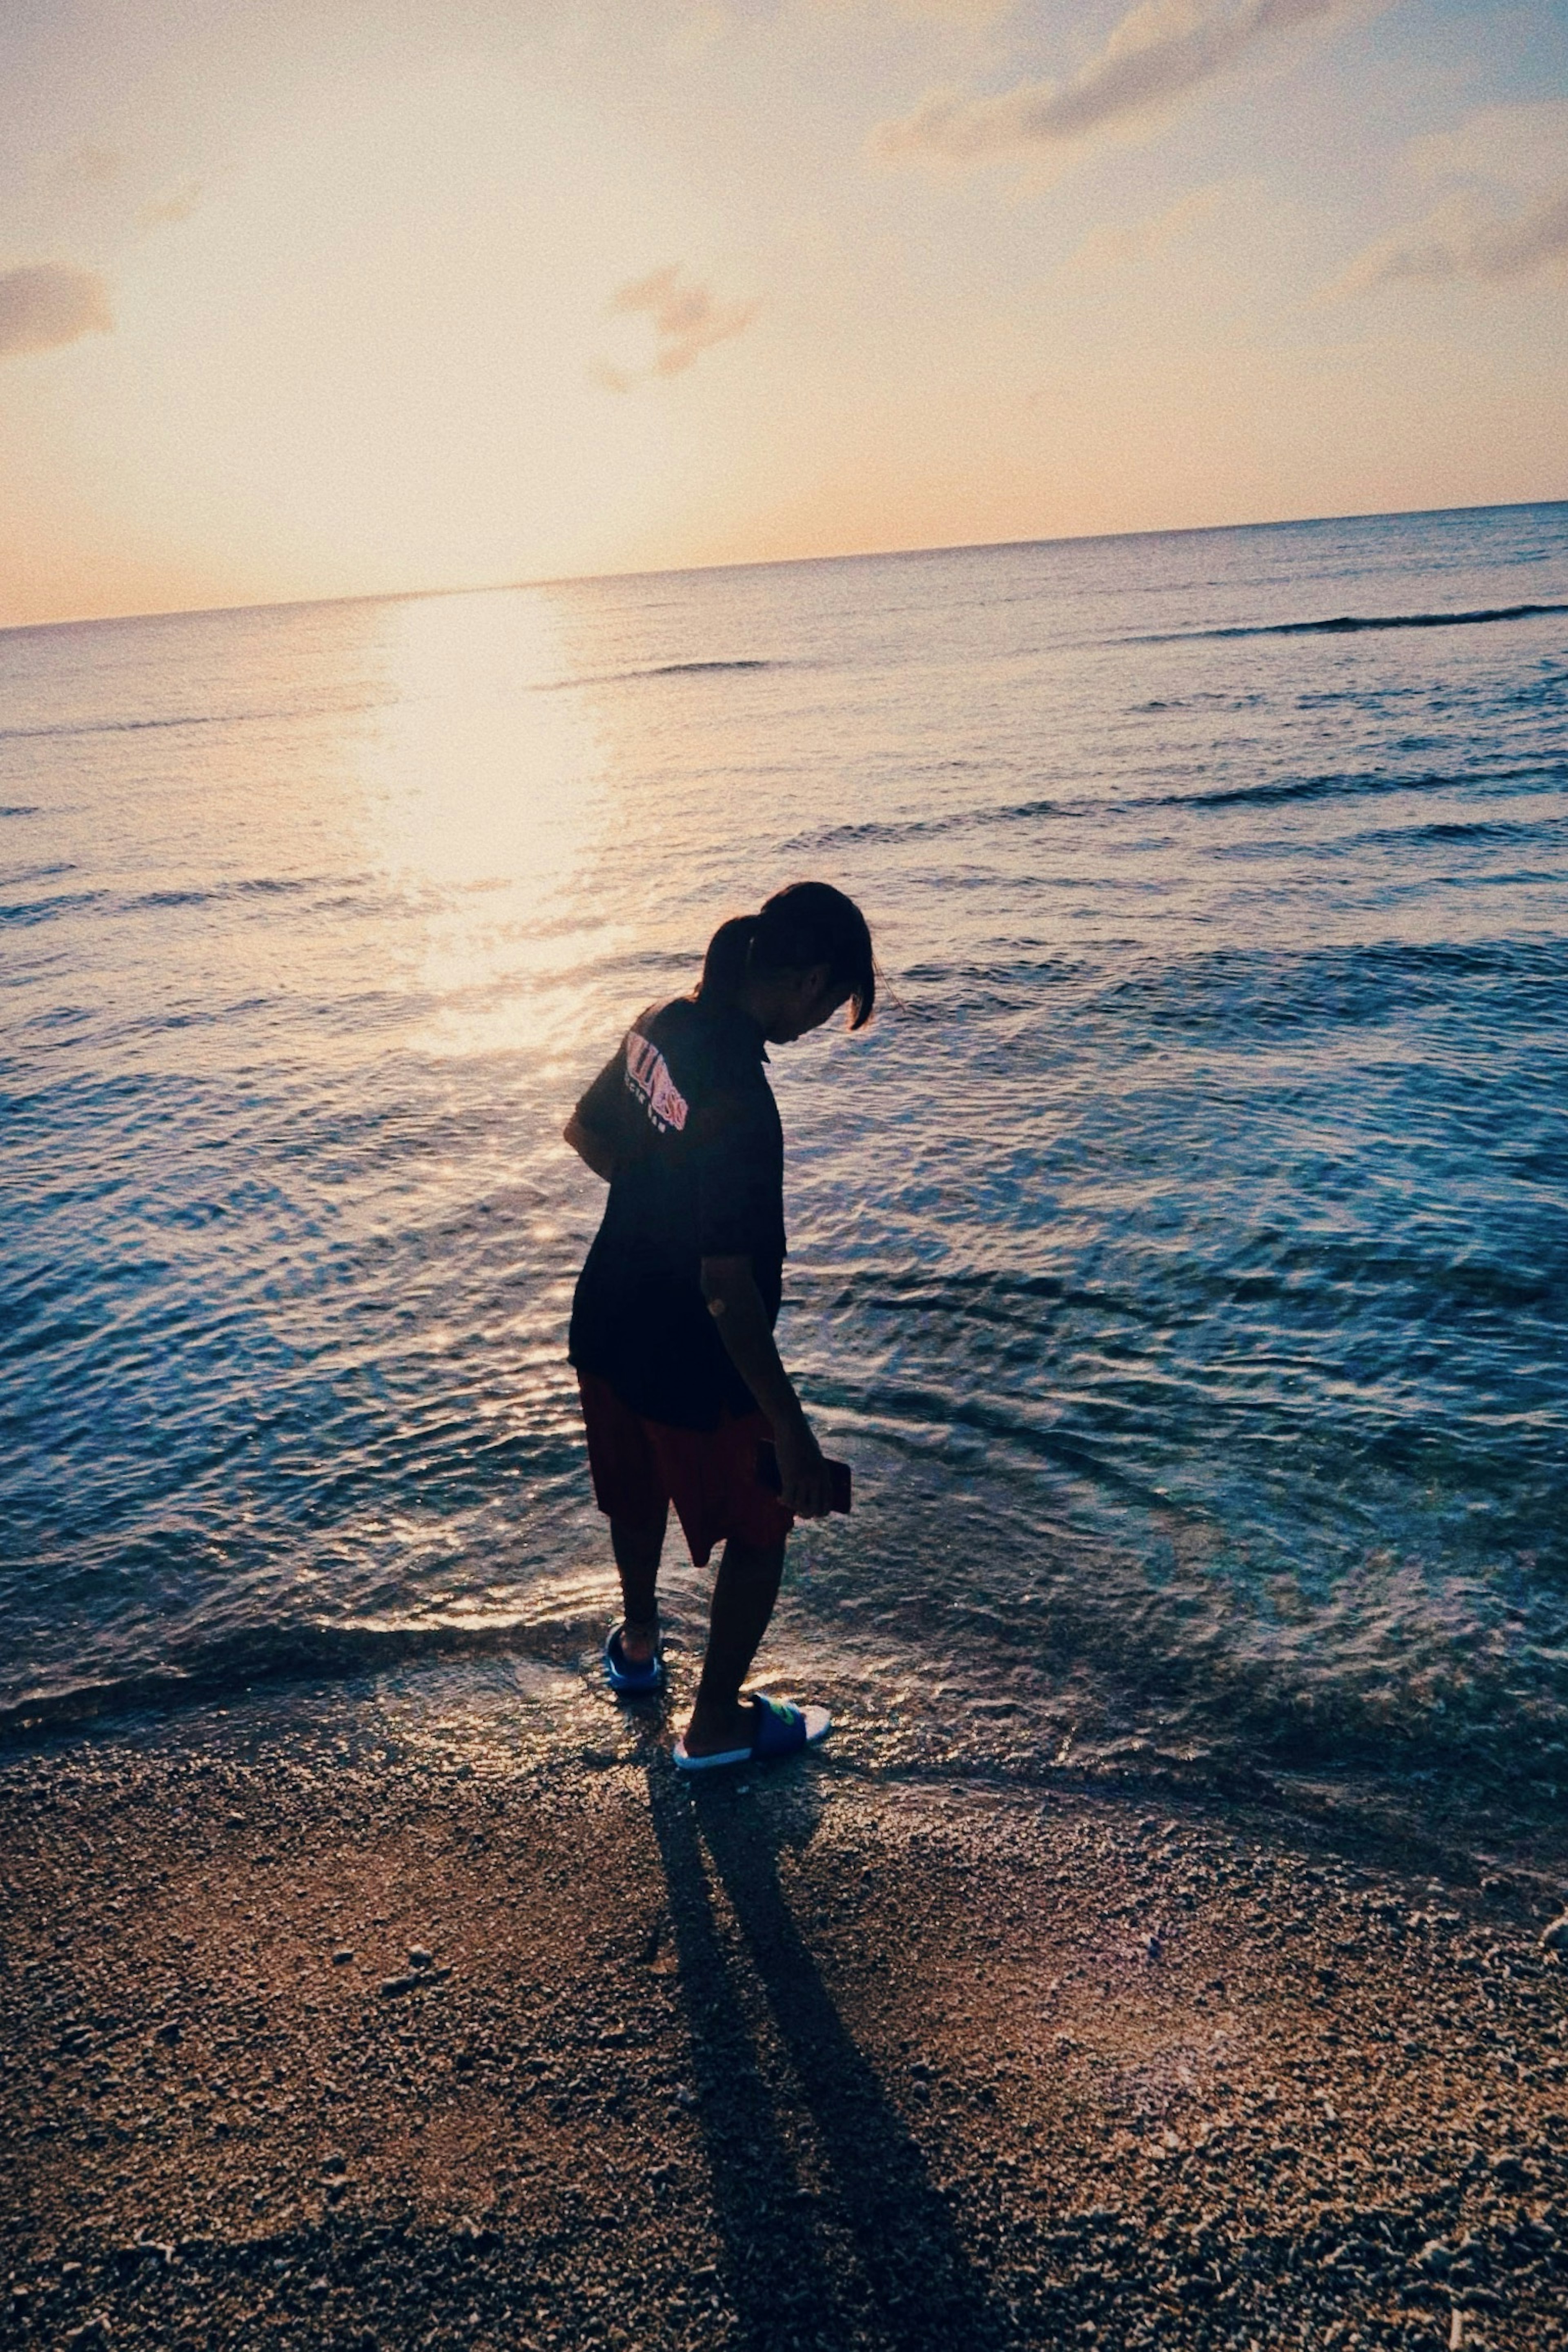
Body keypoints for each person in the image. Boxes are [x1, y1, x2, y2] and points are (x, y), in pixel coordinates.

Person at [564, 881, 875, 1771]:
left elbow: (586, 1136)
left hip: (607, 1319)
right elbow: (729, 1294)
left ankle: (636, 1649)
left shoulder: (663, 1018)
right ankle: (713, 1730)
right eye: (832, 1007)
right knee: (766, 1522)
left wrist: (655, 1198)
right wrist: (791, 1425)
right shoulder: (745, 1104)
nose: (819, 1026)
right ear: (810, 981)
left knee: (636, 1491)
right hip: (689, 1360)